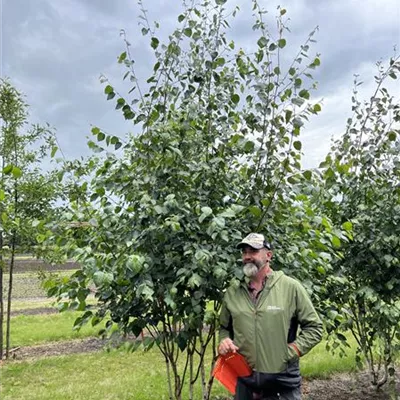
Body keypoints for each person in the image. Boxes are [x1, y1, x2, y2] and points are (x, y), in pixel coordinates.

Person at [218, 233, 323, 400]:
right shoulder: (233, 292)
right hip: (245, 379)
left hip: (282, 380)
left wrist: (290, 351)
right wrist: (224, 340)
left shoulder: (290, 288)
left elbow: (315, 328)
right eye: (244, 252)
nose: (247, 257)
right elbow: (224, 327)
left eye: (253, 251)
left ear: (268, 255)